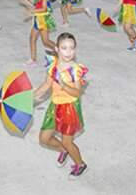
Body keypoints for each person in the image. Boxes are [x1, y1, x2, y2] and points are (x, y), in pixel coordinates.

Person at [34, 32, 88, 178]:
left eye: (71, 48)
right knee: (44, 139)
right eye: (64, 48)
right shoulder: (53, 67)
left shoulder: (75, 70)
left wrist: (64, 85)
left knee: (68, 141)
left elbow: (77, 93)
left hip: (70, 109)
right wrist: (31, 97)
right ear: (57, 49)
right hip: (55, 106)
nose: (68, 52)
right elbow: (46, 85)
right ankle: (63, 150)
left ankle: (80, 164)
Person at [18, 0, 59, 66]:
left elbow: (44, 9)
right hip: (38, 19)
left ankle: (60, 51)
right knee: (32, 38)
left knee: (46, 41)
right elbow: (36, 1)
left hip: (43, 20)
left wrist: (32, 11)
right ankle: (33, 59)